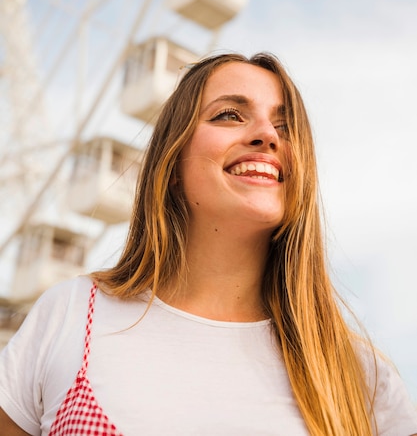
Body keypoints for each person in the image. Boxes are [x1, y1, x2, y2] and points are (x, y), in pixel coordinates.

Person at [0, 51, 416, 436]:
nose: (267, 135)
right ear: (172, 162)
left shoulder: (357, 374)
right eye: (231, 114)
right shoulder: (73, 314)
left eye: (285, 127)